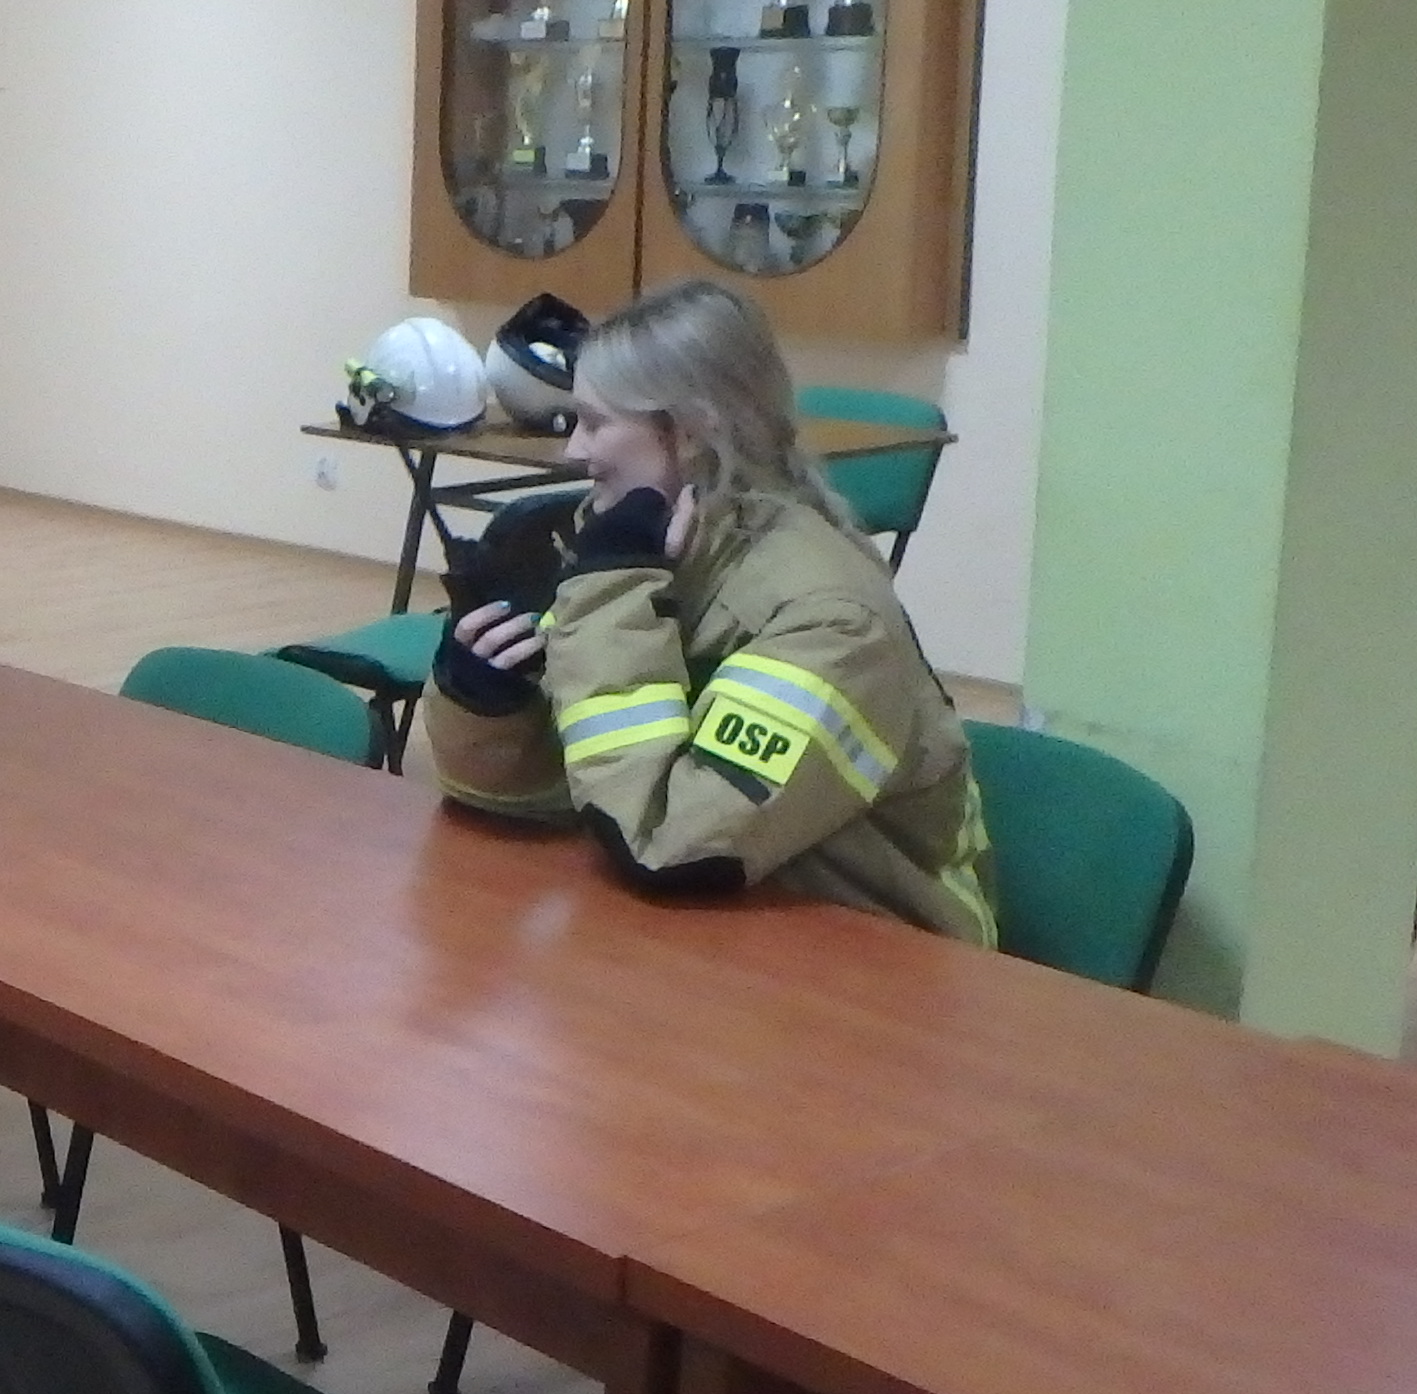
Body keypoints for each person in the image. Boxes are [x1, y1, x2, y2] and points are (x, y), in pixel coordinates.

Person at [423, 279, 992, 942]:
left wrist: (607, 592)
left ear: (691, 433)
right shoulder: (643, 551)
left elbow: (669, 843)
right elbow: (584, 788)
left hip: (879, 956)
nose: (574, 451)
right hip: (719, 927)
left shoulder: (829, 619)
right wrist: (491, 710)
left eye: (595, 423)